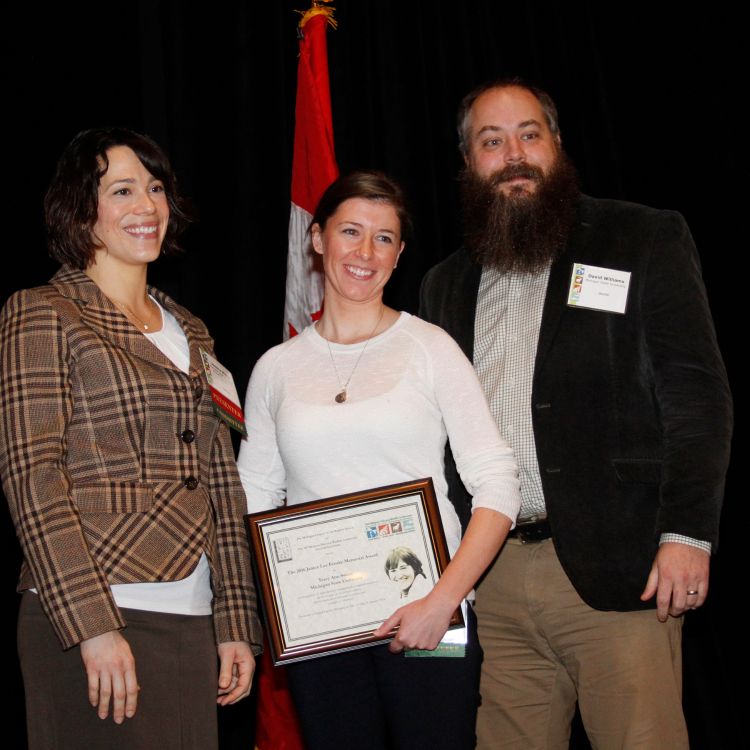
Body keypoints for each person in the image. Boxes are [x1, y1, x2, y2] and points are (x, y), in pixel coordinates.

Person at [419, 78, 733, 749]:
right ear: (468, 162)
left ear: (557, 145)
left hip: (618, 568)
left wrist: (687, 534)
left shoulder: (639, 237)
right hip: (494, 579)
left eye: (530, 134)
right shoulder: (445, 283)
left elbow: (696, 396)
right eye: (491, 141)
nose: (515, 155)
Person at [237, 170, 520, 749]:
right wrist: (275, 608)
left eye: (384, 238)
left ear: (399, 255)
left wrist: (442, 602)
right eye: (351, 232)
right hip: (321, 628)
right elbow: (255, 495)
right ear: (317, 239)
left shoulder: (431, 348)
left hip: (432, 618)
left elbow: (497, 485)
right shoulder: (275, 368)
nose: (365, 253)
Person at [0, 128, 263, 750]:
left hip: (192, 620)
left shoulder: (192, 330)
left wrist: (235, 622)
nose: (146, 205)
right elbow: (33, 475)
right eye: (122, 190)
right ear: (79, 209)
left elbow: (220, 482)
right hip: (98, 611)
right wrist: (91, 625)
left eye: (155, 187)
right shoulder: (43, 312)